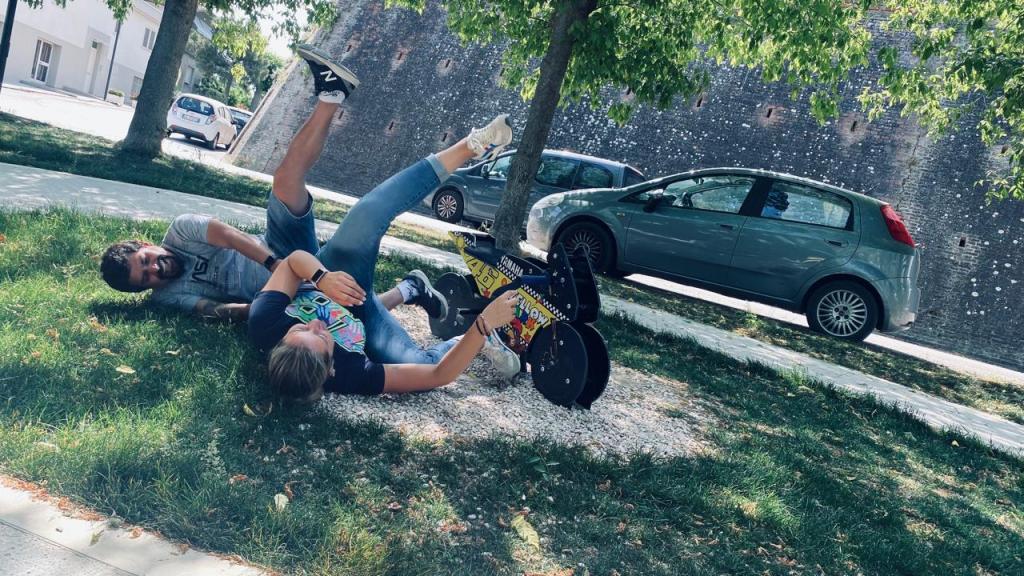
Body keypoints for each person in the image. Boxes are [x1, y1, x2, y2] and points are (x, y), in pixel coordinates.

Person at [98, 45, 444, 323]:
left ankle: (332, 94)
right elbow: (211, 309)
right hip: (280, 293)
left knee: (284, 181)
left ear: (145, 244)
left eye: (146, 261)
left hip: (278, 249)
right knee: (350, 313)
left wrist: (274, 264)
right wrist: (265, 309)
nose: (155, 270)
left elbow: (229, 236)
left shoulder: (181, 231)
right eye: (146, 278)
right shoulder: (167, 297)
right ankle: (411, 288)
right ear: (145, 289)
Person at [248, 104, 521, 400]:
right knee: (421, 366)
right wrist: (482, 325)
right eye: (322, 337)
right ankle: (466, 333)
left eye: (301, 329)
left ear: (279, 343)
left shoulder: (265, 324)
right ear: (331, 369)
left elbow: (291, 263)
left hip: (328, 279)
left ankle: (471, 145)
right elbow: (438, 375)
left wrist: (322, 278)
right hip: (363, 316)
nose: (316, 324)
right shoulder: (350, 374)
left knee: (367, 216)